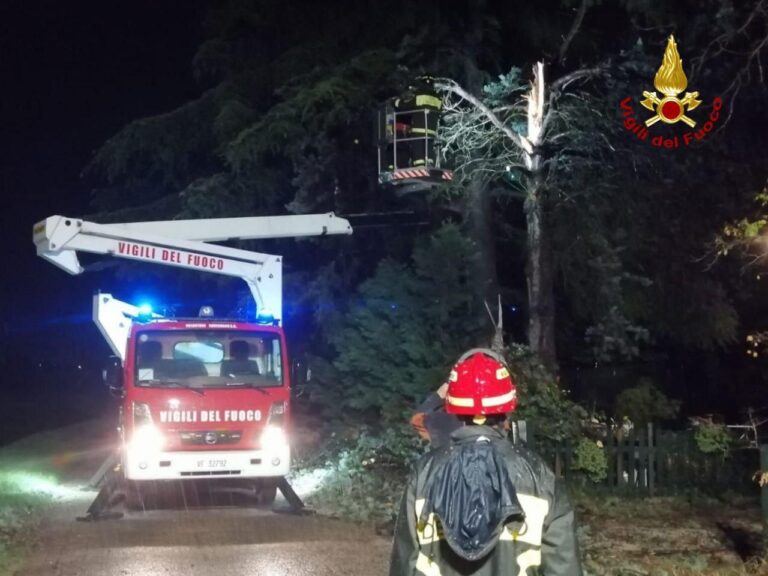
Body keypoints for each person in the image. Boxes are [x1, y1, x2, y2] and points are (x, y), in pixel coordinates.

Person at [390, 349, 582, 576]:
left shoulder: (423, 474)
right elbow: (563, 568)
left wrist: (441, 392)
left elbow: (404, 565)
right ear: (508, 409)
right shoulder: (539, 476)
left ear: (454, 409)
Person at [395, 75, 442, 167]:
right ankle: (429, 164)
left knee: (418, 148)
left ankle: (420, 165)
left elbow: (405, 106)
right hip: (431, 130)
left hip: (419, 129)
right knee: (428, 147)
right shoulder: (438, 98)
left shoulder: (419, 95)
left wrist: (395, 102)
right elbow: (440, 111)